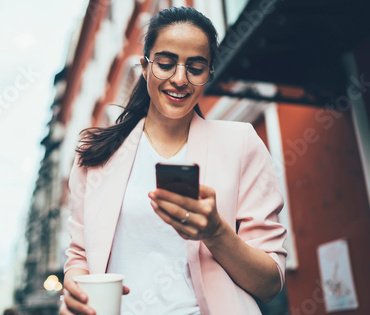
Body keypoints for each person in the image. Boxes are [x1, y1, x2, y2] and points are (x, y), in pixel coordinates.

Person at [60, 6, 287, 315]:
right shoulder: (96, 156)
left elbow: (270, 283)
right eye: (166, 64)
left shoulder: (241, 143)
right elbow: (79, 257)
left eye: (195, 68)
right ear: (144, 67)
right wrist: (72, 292)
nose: (179, 79)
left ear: (208, 74)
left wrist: (216, 232)